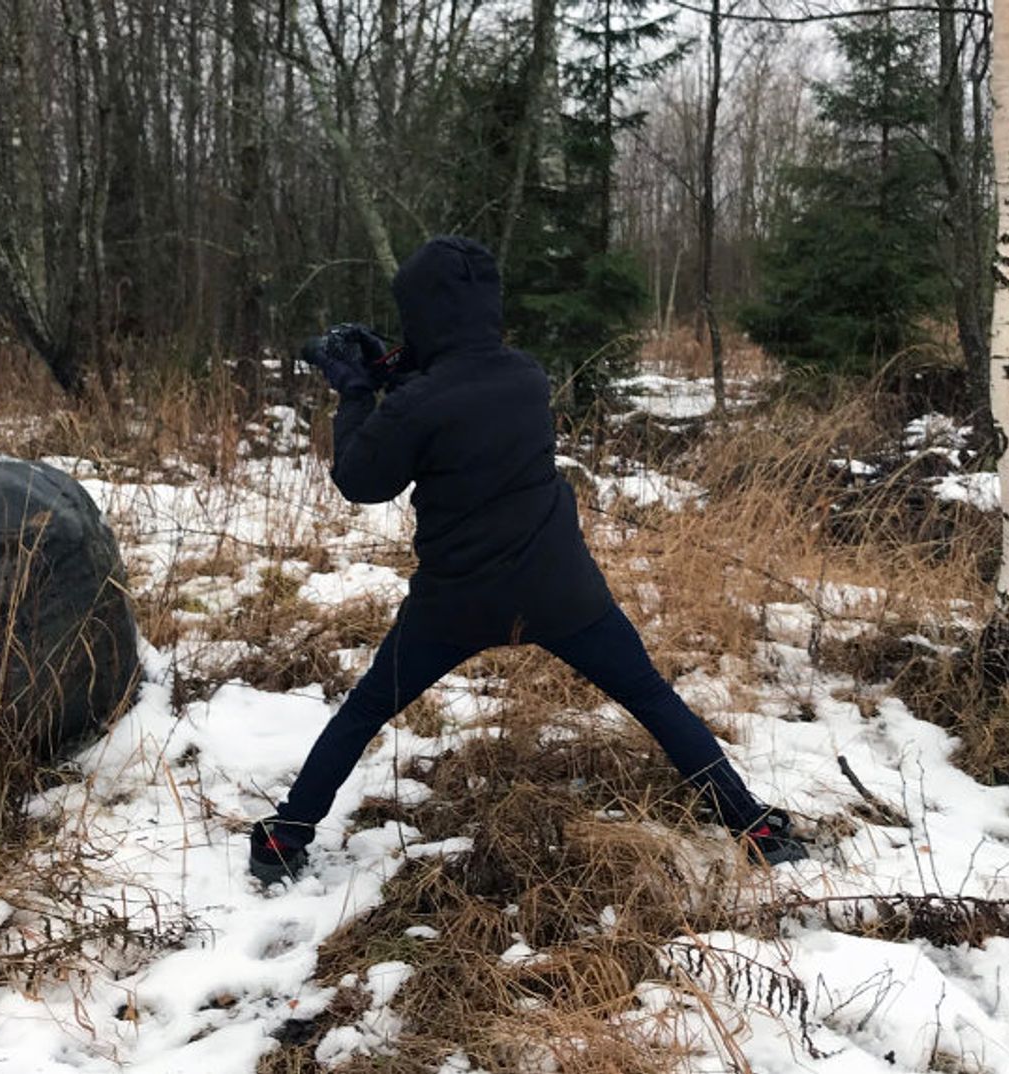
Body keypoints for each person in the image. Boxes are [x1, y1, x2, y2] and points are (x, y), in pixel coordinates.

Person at [250, 236, 806, 884]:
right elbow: (461, 391)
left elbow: (361, 479)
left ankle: (285, 839)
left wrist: (354, 392)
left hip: (455, 605)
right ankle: (755, 828)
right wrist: (393, 368)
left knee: (364, 713)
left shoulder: (416, 403)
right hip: (561, 592)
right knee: (651, 696)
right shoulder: (526, 375)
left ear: (422, 313)